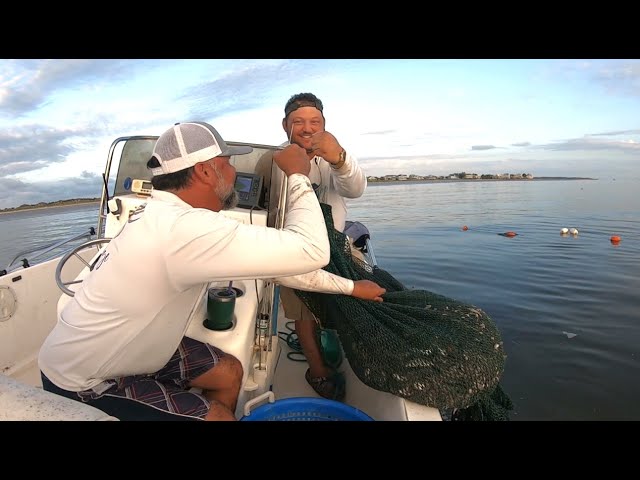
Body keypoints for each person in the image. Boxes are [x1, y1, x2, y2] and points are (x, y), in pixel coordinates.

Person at [38, 121, 334, 421]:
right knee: (219, 417)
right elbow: (313, 249)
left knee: (229, 372)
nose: (233, 173)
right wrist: (298, 175)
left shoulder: (161, 214)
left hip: (131, 349)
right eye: (228, 163)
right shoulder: (184, 230)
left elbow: (281, 267)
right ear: (205, 171)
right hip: (82, 379)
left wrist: (350, 288)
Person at [271, 92, 371, 401]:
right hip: (295, 247)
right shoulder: (276, 159)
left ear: (324, 125)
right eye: (298, 121)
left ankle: (337, 346)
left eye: (315, 121)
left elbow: (355, 190)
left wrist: (338, 158)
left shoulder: (335, 157)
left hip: (336, 246)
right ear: (285, 125)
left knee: (344, 300)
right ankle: (317, 369)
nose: (307, 128)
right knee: (303, 311)